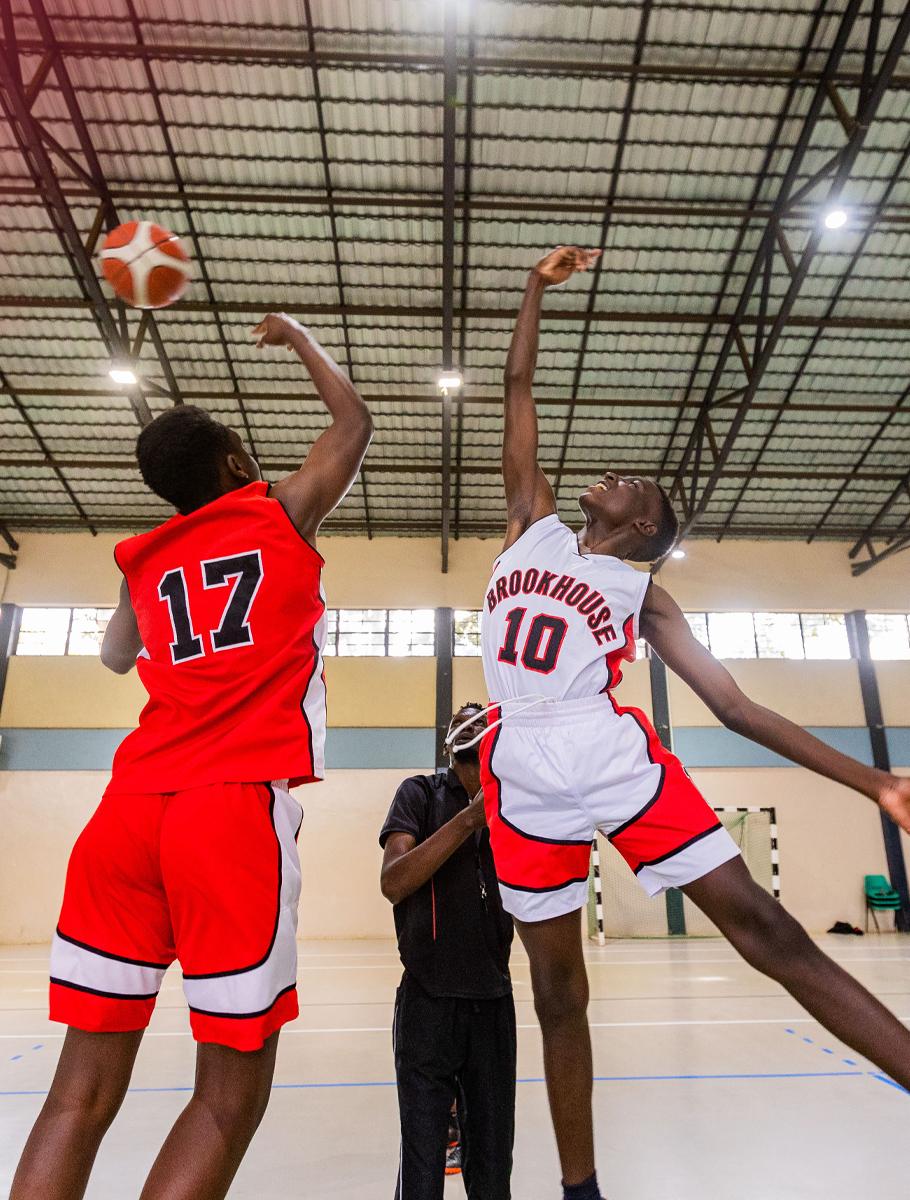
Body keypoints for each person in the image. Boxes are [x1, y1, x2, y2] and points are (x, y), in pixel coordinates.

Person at [461, 245, 910, 1200]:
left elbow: (738, 707)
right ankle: (582, 1188)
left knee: (768, 932)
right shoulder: (528, 527)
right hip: (520, 764)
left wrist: (870, 779)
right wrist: (534, 289)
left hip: (605, 746)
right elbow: (517, 385)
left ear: (645, 529)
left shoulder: (641, 587)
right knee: (553, 991)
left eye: (636, 485)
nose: (616, 473)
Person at [10, 313, 373, 1200]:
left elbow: (112, 657)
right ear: (234, 466)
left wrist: (155, 570)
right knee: (225, 1099)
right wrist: (296, 338)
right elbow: (353, 425)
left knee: (77, 1094)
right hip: (230, 811)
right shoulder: (278, 511)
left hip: (126, 815)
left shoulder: (145, 557)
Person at [380, 703, 516, 1200]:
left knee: (492, 1166)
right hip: (427, 1003)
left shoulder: (513, 807)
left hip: (493, 1004)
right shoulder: (418, 794)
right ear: (448, 739)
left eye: (483, 719)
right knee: (421, 1164)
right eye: (464, 718)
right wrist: (467, 821)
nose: (473, 723)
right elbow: (394, 881)